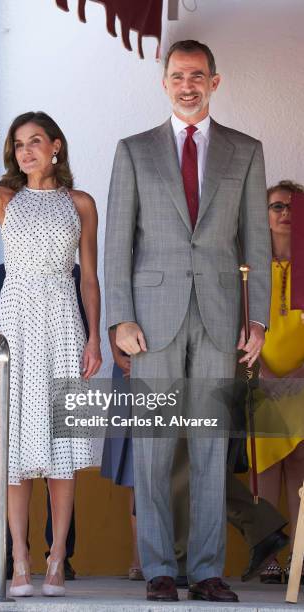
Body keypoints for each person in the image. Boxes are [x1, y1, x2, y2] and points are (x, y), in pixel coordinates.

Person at [105, 40, 271, 603]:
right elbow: (116, 243)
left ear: (215, 82)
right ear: (165, 82)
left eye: (197, 75)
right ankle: (158, 567)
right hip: (151, 319)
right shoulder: (134, 151)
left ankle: (206, 570)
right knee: (153, 447)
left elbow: (255, 240)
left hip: (222, 318)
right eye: (177, 75)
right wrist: (118, 318)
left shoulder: (245, 151)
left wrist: (259, 321)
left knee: (209, 446)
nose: (187, 84)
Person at [0, 76, 102, 598]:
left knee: (60, 447)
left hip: (63, 319)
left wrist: (94, 339)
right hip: (15, 322)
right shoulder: (6, 199)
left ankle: (58, 557)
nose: (26, 150)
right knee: (13, 446)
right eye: (19, 143)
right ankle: (20, 559)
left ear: (55, 146)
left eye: (36, 140)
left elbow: (91, 276)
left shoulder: (81, 202)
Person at [0, 262, 89, 581]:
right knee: (13, 465)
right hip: (17, 376)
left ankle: (59, 556)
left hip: (60, 369)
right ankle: (16, 556)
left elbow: (80, 325)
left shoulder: (72, 272)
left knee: (63, 463)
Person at [250, 180, 304, 584]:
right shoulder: (250, 270)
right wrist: (264, 375)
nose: (285, 213)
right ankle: (268, 558)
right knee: (266, 468)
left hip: (303, 383)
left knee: (300, 467)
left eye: (293, 207)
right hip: (262, 381)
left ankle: (300, 560)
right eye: (276, 206)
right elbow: (237, 325)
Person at [100, 329, 143, 581]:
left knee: (175, 466)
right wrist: (117, 354)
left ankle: (174, 554)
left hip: (170, 363)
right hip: (128, 362)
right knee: (134, 469)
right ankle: (139, 556)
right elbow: (117, 301)